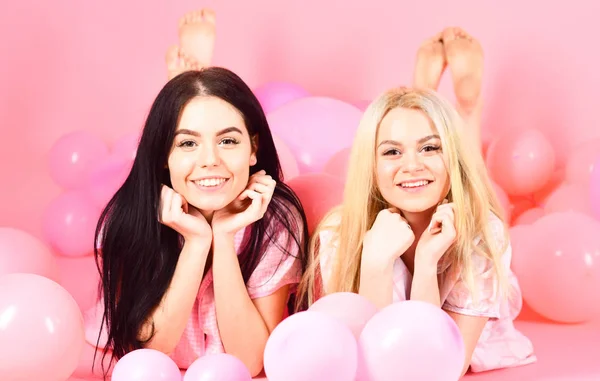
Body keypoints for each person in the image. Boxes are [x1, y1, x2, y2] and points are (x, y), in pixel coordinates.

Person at [296, 28, 536, 376]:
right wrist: (375, 263)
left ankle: (465, 111)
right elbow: (370, 366)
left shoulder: (484, 237)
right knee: (439, 170)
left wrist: (427, 264)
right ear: (371, 167)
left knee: (481, 202)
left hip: (466, 327)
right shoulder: (338, 233)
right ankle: (430, 102)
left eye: (430, 147)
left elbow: (435, 368)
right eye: (392, 151)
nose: (411, 164)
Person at [84, 36, 309, 378]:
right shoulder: (130, 216)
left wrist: (224, 236)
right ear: (163, 155)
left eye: (228, 141)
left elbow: (249, 361)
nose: (209, 160)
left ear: (253, 148)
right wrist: (196, 242)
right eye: (188, 142)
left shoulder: (275, 220)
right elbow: (150, 353)